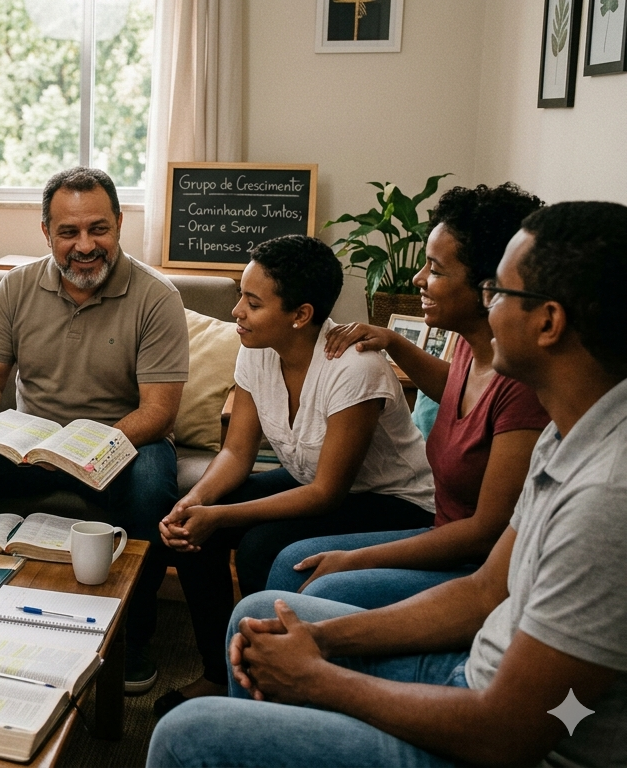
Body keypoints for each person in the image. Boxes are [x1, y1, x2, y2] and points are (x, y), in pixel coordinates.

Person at [149, 200, 627, 768]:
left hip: (493, 729)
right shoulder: (568, 435)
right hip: (472, 671)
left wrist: (316, 677)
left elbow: (511, 733)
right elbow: (483, 592)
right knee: (256, 615)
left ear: (548, 322)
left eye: (498, 292)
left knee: (186, 734)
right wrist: (317, 643)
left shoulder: (605, 499)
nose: (484, 305)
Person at [0, 167, 188, 694]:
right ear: (46, 232)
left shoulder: (157, 297)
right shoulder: (18, 286)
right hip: (31, 447)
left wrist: (96, 448)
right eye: (69, 233)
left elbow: (159, 411)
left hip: (121, 447)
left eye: (99, 229)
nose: (85, 246)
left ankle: (131, 636)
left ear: (119, 225)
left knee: (157, 481)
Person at [154, 235, 435, 715]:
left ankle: (270, 683)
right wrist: (196, 502)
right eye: (241, 295)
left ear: (300, 315)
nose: (237, 311)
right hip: (317, 484)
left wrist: (221, 516)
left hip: (394, 498)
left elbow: (327, 493)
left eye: (253, 302)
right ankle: (219, 674)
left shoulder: (354, 368)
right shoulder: (256, 348)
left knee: (261, 544)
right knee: (192, 530)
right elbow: (236, 454)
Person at [266, 184, 548, 608]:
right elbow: (455, 390)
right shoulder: (474, 349)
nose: (418, 279)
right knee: (292, 560)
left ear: (487, 288)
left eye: (434, 270)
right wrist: (395, 342)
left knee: (315, 579)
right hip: (443, 531)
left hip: (478, 566)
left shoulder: (521, 388)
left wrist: (356, 558)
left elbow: (485, 532)